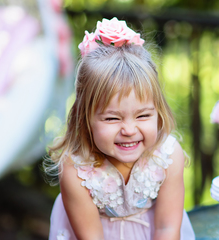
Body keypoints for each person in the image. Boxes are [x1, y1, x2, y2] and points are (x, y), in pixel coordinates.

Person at [46, 17, 195, 240]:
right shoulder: (75, 170)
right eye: (112, 119)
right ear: (85, 118)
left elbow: (167, 229)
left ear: (158, 111)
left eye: (143, 115)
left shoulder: (168, 157)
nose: (129, 129)